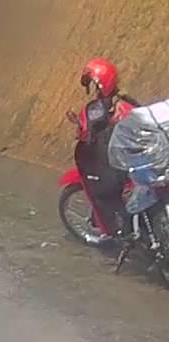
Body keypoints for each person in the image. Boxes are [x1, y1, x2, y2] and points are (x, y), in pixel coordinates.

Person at [75, 57, 140, 244]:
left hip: (118, 161)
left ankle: (115, 233)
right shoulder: (123, 101)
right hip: (136, 153)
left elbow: (88, 132)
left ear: (101, 84)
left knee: (103, 191)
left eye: (95, 84)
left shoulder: (103, 108)